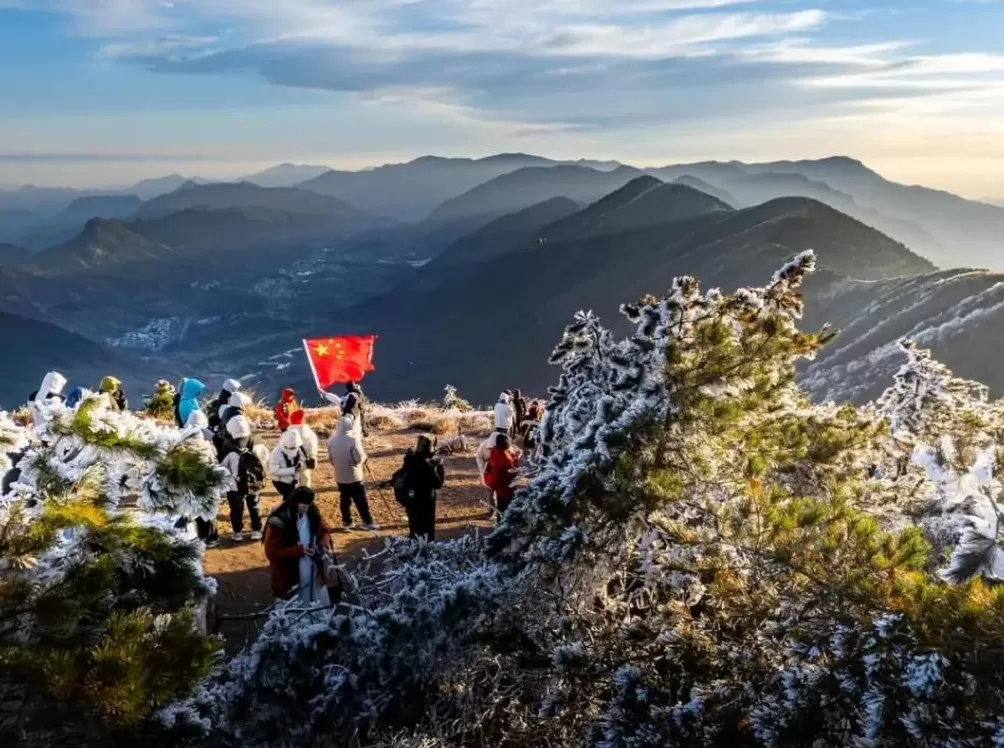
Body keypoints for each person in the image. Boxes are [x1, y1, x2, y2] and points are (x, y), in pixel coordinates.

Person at [263, 486, 333, 603]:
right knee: (293, 602)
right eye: (303, 507)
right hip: (289, 571)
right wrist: (299, 550)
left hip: (312, 567)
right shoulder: (278, 521)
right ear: (295, 503)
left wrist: (321, 547)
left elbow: (324, 531)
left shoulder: (312, 513)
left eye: (308, 506)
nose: (306, 510)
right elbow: (272, 552)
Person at [221, 414, 269, 542]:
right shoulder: (256, 440)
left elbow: (223, 467)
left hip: (235, 484)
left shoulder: (228, 446)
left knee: (236, 508)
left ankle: (238, 533)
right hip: (254, 482)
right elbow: (265, 456)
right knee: (254, 505)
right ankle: (256, 530)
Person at [328, 415, 377, 531]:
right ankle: (367, 522)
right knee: (360, 499)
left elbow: (331, 459)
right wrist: (365, 458)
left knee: (344, 499)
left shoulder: (331, 440)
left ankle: (346, 522)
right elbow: (358, 458)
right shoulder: (353, 440)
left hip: (340, 476)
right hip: (354, 476)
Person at [179, 410, 221, 547]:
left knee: (197, 507)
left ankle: (202, 536)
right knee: (209, 508)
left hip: (191, 479)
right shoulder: (209, 438)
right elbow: (215, 458)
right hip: (207, 478)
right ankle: (212, 536)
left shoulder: (183, 436)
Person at [393, 435, 445, 541]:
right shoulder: (427, 466)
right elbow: (437, 484)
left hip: (411, 500)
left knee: (414, 526)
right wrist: (440, 468)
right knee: (427, 530)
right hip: (426, 501)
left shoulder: (409, 460)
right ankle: (426, 547)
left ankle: (414, 544)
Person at [485, 433, 521, 517]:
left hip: (502, 491)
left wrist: (515, 456)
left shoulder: (495, 452)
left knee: (502, 509)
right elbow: (512, 471)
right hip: (506, 491)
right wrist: (516, 459)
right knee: (505, 511)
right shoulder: (503, 460)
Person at [270, 427, 306, 501]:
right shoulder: (276, 453)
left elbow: (302, 457)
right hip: (281, 481)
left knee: (293, 498)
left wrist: (300, 463)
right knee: (289, 498)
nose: (293, 450)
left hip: (293, 479)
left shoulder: (297, 448)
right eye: (291, 448)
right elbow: (274, 471)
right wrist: (293, 470)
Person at [288, 410, 319, 488]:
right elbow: (313, 447)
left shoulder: (286, 433)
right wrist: (312, 456)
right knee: (305, 480)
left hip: (290, 462)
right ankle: (305, 493)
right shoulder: (309, 433)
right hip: (304, 462)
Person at [476, 431, 503, 514]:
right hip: (488, 471)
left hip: (501, 471)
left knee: (501, 493)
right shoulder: (483, 445)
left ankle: (501, 511)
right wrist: (482, 468)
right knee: (490, 492)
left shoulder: (504, 444)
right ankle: (492, 511)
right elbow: (479, 457)